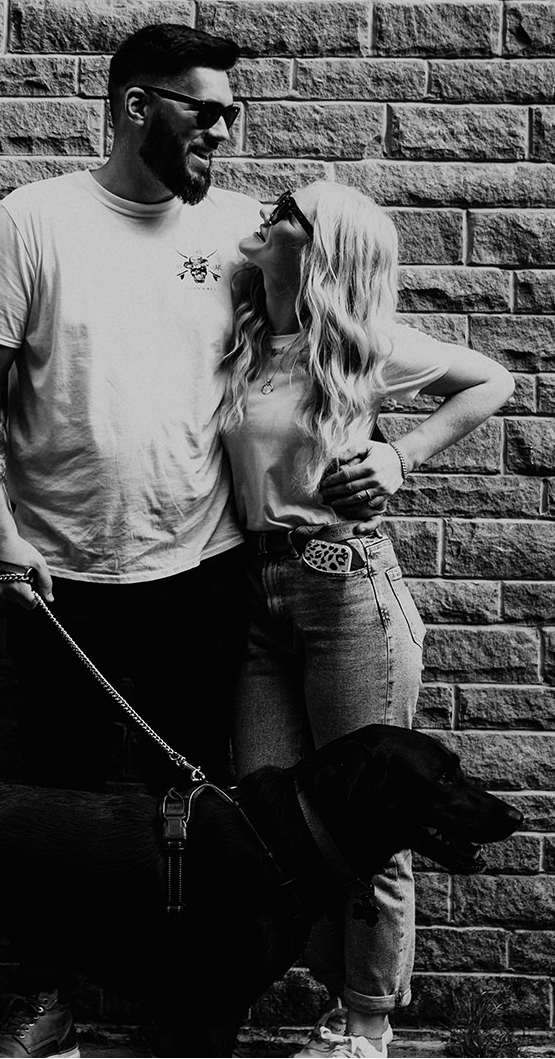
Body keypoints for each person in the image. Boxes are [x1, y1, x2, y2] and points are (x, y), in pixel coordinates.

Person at [0, 25, 375, 1058]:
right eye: (204, 110)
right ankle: (49, 1002)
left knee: (185, 807)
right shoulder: (35, 219)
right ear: (138, 106)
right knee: (53, 802)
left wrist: (382, 458)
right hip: (58, 574)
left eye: (231, 112)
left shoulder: (242, 229)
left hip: (202, 567)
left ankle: (177, 1010)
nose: (224, 131)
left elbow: (341, 339)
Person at [218, 180, 515, 1059]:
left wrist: (399, 452)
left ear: (319, 249)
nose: (267, 213)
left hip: (346, 590)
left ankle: (366, 1027)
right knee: (269, 814)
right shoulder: (243, 335)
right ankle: (325, 995)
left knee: (376, 823)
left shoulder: (358, 345)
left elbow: (490, 380)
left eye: (288, 210)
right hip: (252, 596)